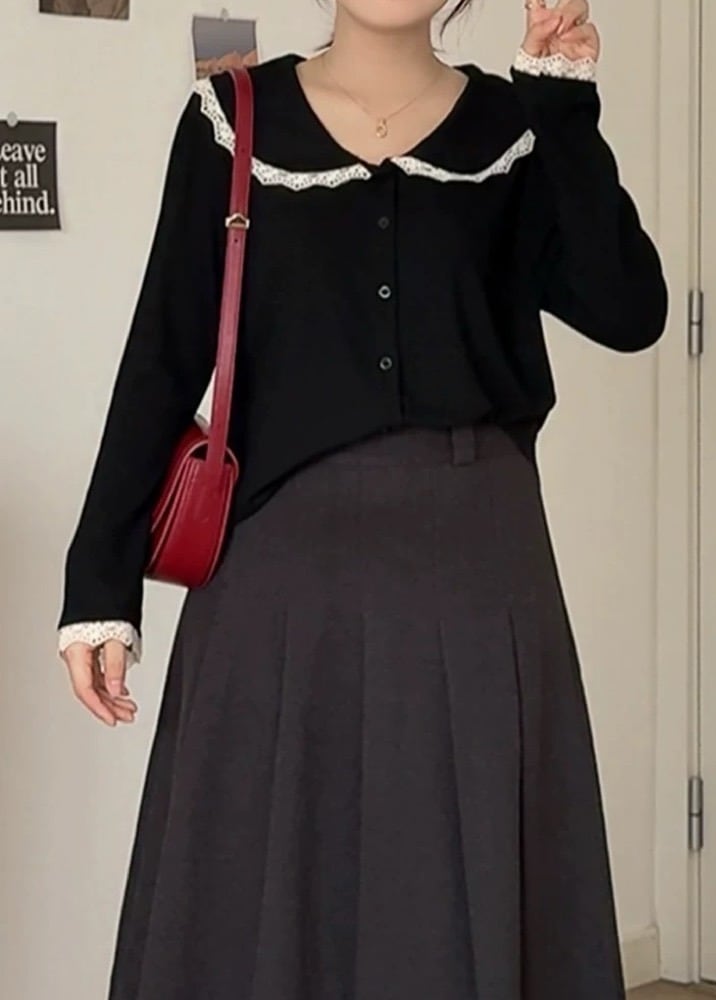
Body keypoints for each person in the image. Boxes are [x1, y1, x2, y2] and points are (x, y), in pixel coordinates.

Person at [57, 0, 668, 997]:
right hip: (276, 575)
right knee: (257, 894)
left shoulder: (514, 129)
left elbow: (629, 308)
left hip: (477, 574)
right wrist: (100, 582)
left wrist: (563, 102)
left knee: (457, 889)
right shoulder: (231, 118)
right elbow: (163, 356)